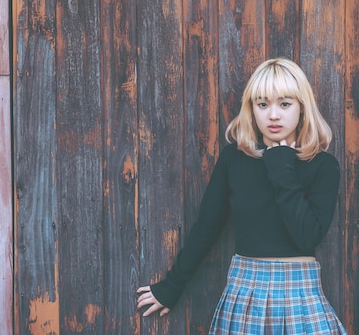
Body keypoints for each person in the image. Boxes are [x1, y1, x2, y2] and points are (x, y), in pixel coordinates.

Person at [137, 58, 347, 334]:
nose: (273, 115)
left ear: (302, 108)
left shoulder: (323, 166)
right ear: (252, 109)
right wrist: (172, 285)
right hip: (245, 295)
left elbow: (307, 236)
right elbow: (206, 228)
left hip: (301, 297)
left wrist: (282, 168)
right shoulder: (234, 160)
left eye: (285, 104)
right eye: (263, 104)